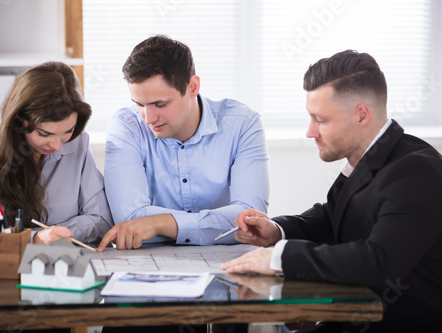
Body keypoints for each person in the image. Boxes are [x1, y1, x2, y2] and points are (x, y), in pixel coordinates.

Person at [221, 50, 442, 332]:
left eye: (321, 120)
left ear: (361, 115)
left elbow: (378, 261)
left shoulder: (415, 172)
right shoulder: (366, 159)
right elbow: (332, 217)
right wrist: (277, 231)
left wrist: (280, 257)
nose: (310, 132)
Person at [98, 35, 270, 251]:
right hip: (150, 268)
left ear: (192, 87)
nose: (148, 118)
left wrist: (159, 224)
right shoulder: (126, 125)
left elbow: (250, 219)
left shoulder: (243, 125)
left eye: (159, 104)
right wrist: (216, 224)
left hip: (227, 263)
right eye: (139, 105)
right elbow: (129, 218)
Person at [0, 61, 113, 244]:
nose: (57, 146)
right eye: (45, 134)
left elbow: (101, 220)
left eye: (67, 131)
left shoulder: (78, 144)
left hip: (64, 263)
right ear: (20, 119)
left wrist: (61, 235)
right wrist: (32, 240)